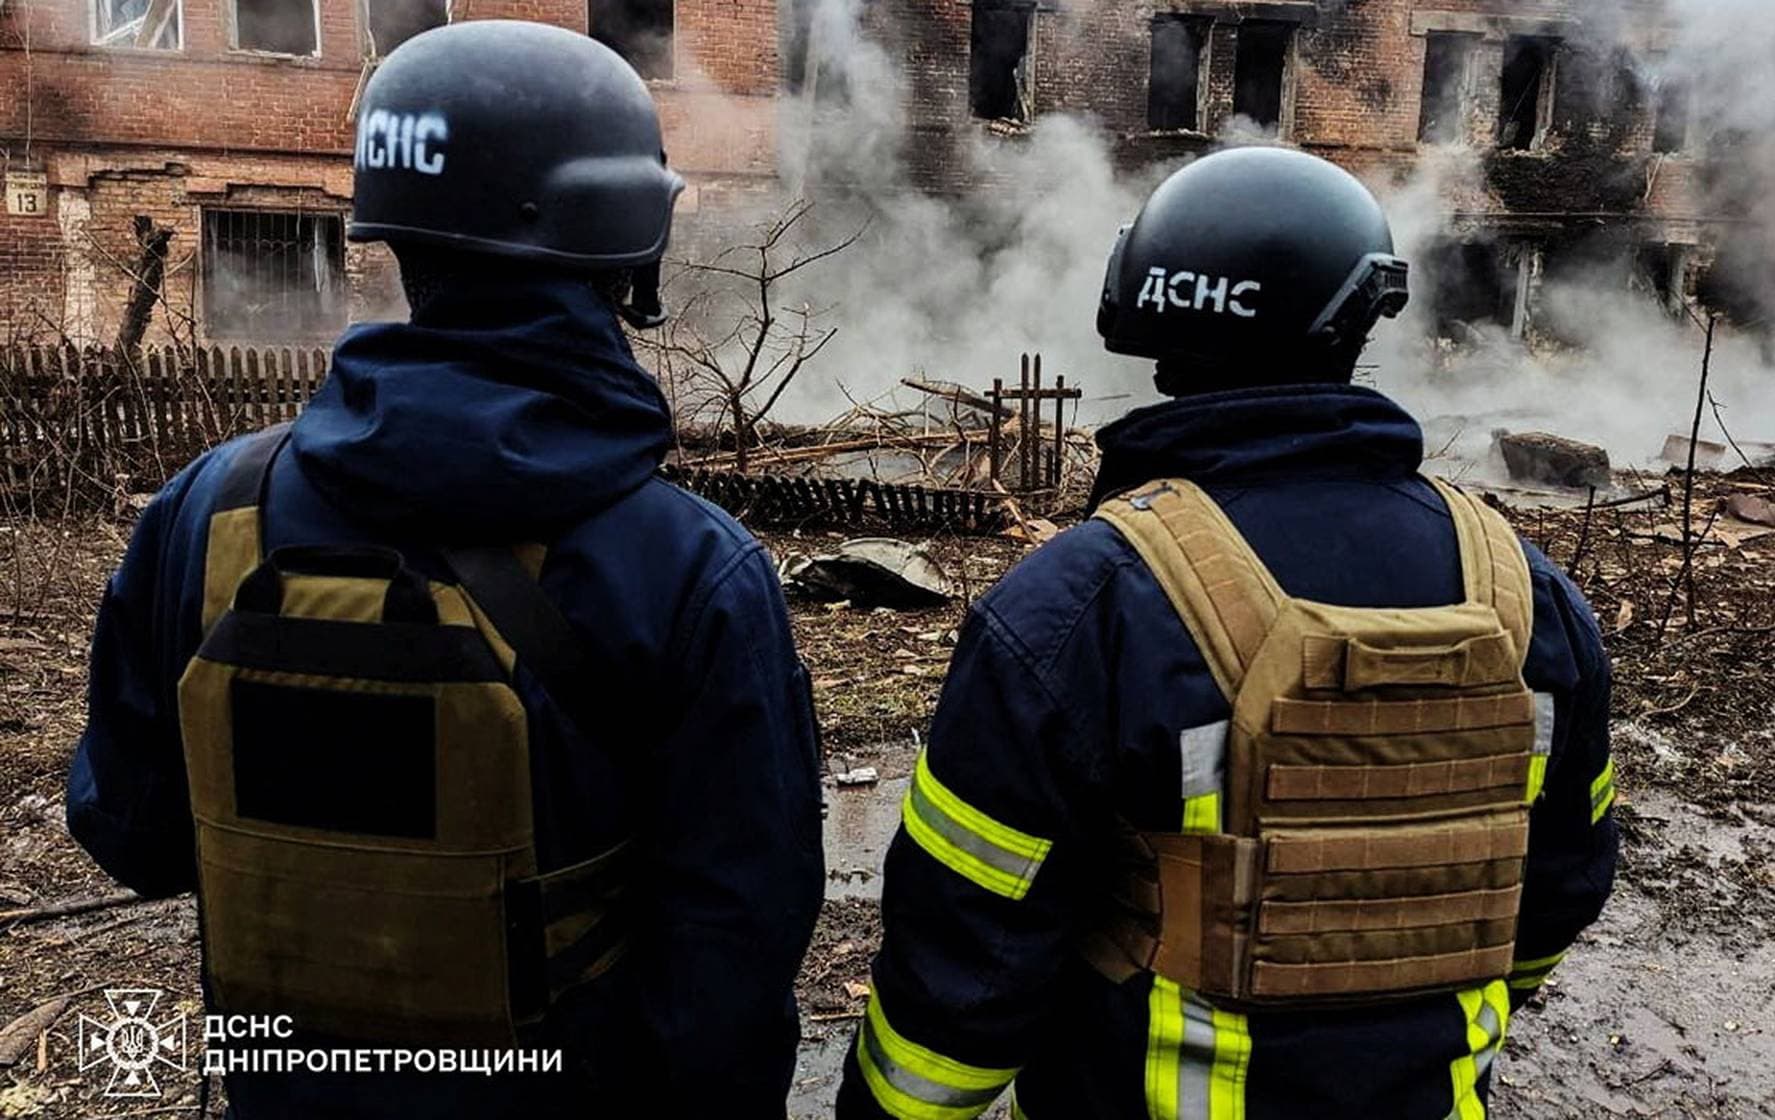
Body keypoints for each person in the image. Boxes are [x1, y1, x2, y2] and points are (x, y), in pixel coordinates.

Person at [66, 21, 822, 1118]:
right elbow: (735, 953)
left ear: (395, 231)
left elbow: (127, 832)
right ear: (620, 245)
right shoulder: (690, 568)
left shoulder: (208, 511)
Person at [838, 147, 1617, 1120]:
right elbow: (1560, 883)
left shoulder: (1082, 606)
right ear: (1356, 321)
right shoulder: (1529, 595)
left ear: (1155, 325)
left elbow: (964, 962)